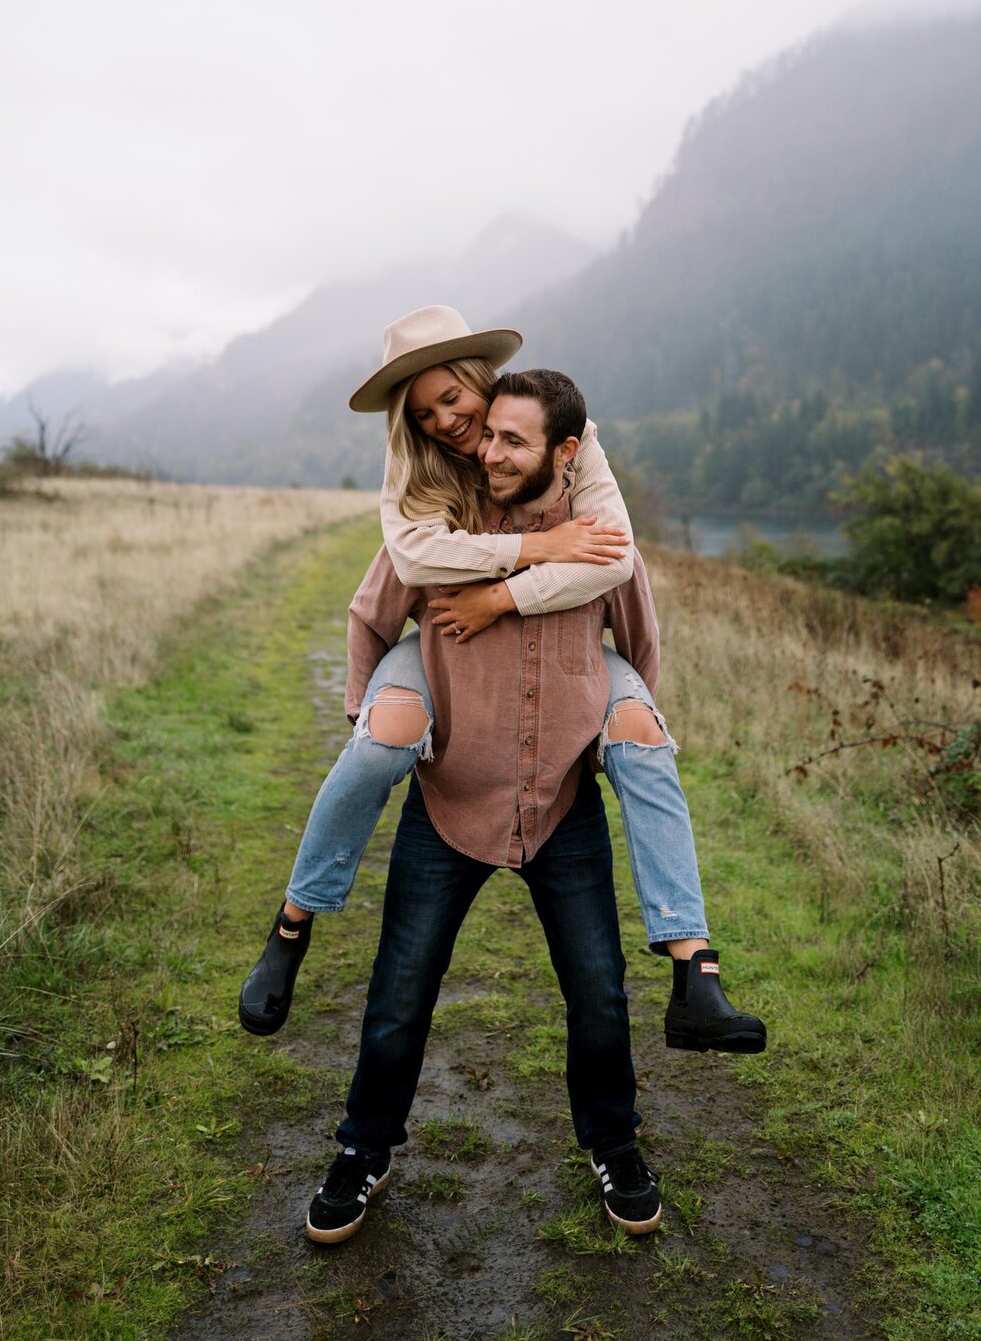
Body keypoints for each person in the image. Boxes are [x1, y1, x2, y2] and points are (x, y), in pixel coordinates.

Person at [239, 307, 765, 1059]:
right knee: (380, 741)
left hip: (573, 657)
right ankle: (293, 923)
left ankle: (696, 971)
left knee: (641, 739)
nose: (448, 422)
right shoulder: (417, 475)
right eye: (424, 414)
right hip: (438, 653)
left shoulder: (566, 447)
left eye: (454, 398)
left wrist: (515, 605)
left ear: (480, 381)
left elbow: (620, 569)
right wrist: (534, 549)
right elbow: (399, 579)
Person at [307, 368, 669, 1242]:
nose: (490, 451)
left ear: (560, 451)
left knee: (599, 991)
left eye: (515, 440)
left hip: (560, 801)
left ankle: (614, 1145)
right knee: (401, 989)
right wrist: (368, 714)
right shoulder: (438, 530)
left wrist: (618, 745)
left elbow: (640, 638)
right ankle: (364, 1150)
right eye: (488, 436)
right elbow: (370, 612)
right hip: (448, 799)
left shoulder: (592, 536)